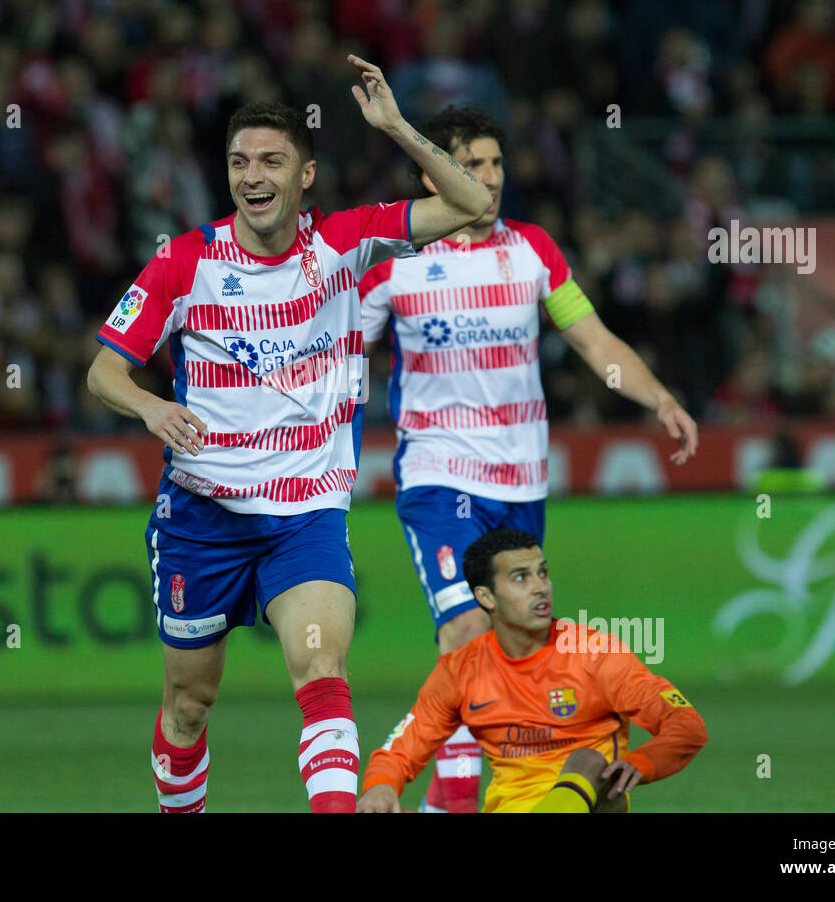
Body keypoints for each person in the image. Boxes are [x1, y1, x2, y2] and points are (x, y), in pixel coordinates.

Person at [86, 56, 492, 813]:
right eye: (239, 162)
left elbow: (469, 204)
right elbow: (104, 371)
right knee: (188, 704)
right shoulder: (184, 261)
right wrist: (147, 408)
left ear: (304, 176)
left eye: (271, 160)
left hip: (302, 516)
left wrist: (397, 126)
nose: (252, 175)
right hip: (202, 518)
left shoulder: (347, 243)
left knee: (320, 672)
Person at [358, 105, 699, 811]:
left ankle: (452, 801)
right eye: (470, 165)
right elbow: (340, 359)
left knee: (506, 653)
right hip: (439, 475)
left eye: (495, 164)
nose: (488, 179)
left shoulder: (534, 250)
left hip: (522, 483)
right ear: (432, 176)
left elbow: (594, 342)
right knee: (467, 637)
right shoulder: (394, 263)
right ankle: (451, 803)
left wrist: (657, 397)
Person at [357, 528, 707, 813]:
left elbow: (686, 724)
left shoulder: (594, 653)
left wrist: (642, 762)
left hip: (591, 806)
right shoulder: (461, 670)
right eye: (521, 577)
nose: (541, 586)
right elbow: (398, 752)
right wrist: (380, 787)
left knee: (588, 761)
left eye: (542, 572)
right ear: (487, 597)